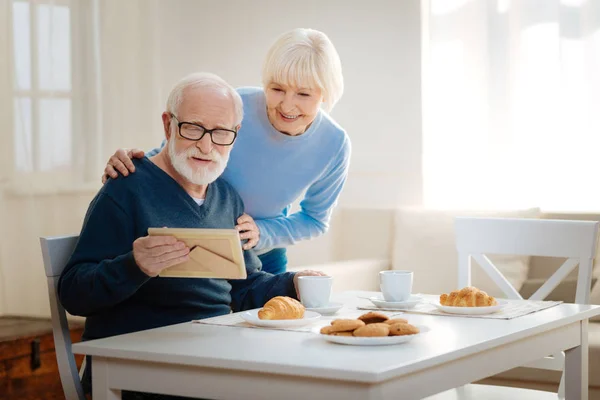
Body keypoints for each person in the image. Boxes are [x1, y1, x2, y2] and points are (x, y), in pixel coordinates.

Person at [59, 72, 324, 400]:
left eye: (220, 133)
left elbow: (244, 285)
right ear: (168, 125)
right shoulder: (127, 187)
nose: (206, 145)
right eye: (193, 128)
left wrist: (295, 282)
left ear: (235, 135)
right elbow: (73, 293)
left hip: (210, 358)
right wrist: (133, 266)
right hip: (139, 369)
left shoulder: (226, 198)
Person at [102, 28, 351, 275]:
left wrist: (263, 232)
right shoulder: (236, 103)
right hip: (196, 238)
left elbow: (315, 220)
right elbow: (176, 149)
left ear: (325, 94)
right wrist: (134, 167)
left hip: (261, 254)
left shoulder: (334, 144)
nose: (287, 105)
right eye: (277, 89)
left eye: (304, 94)